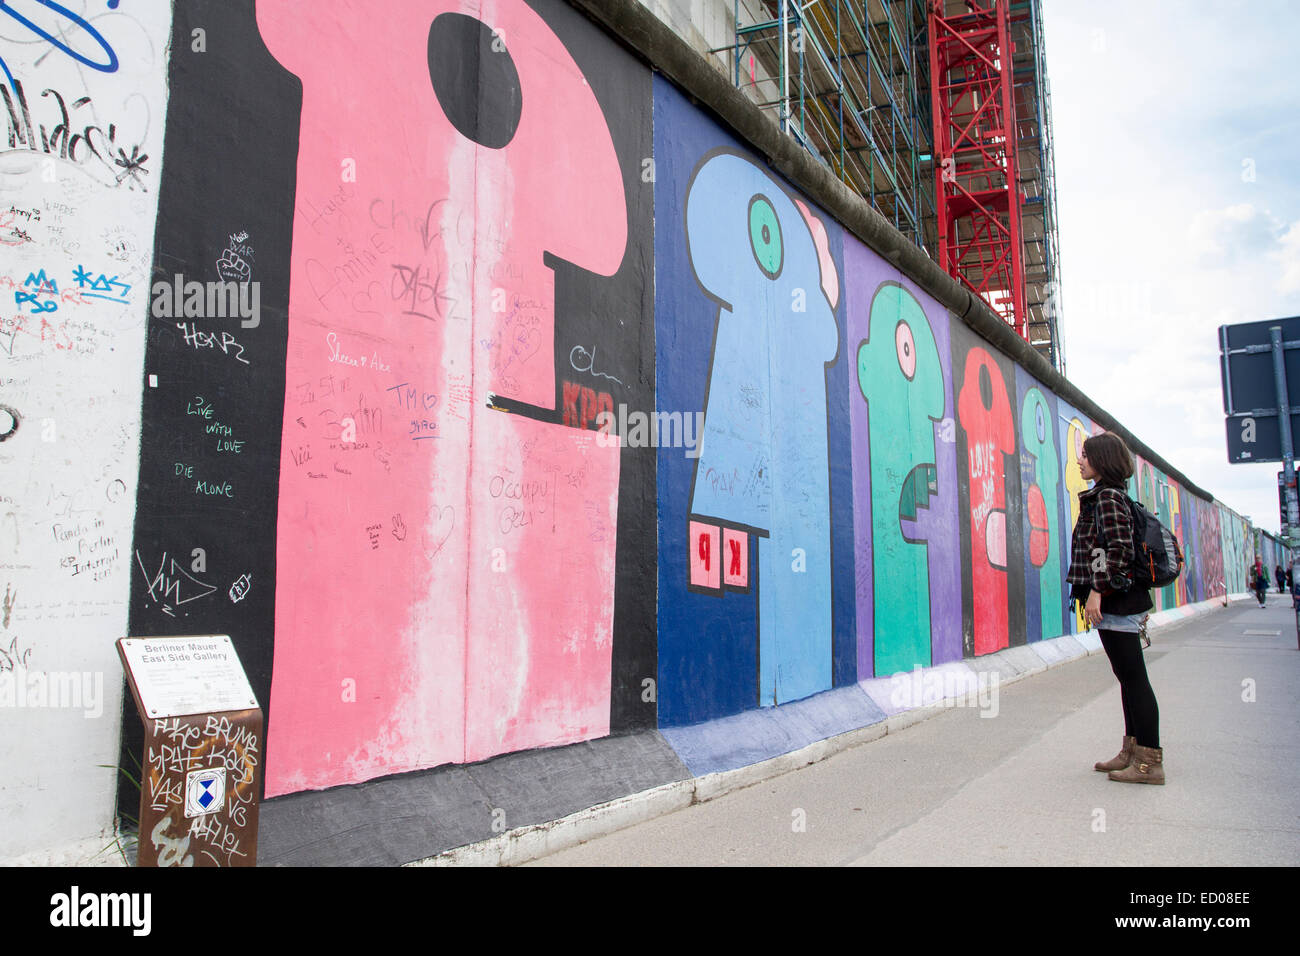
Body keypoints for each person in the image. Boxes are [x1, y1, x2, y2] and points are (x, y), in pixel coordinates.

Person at [1067, 432, 1162, 784]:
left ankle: (1149, 762)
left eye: (1086, 455)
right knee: (1127, 678)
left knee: (1134, 680)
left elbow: (1118, 551)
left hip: (1115, 601)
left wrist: (1096, 592)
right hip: (1118, 599)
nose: (1080, 461)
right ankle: (1132, 751)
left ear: (1102, 460)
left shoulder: (1107, 497)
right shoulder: (1109, 494)